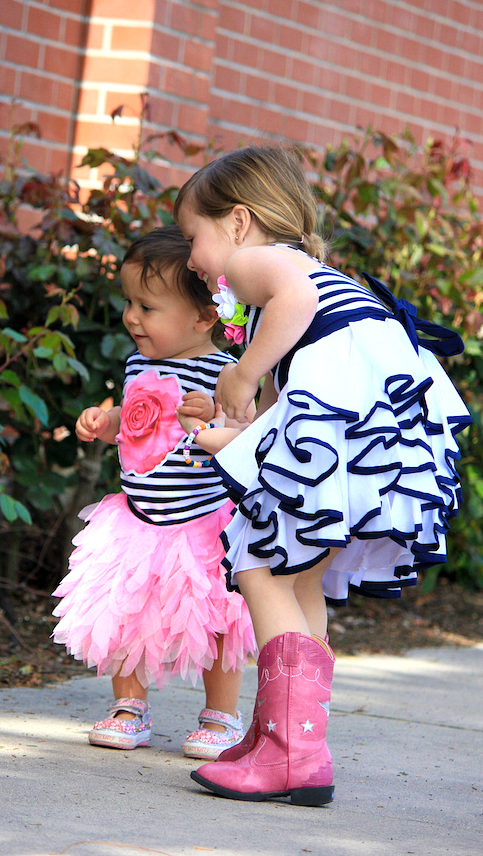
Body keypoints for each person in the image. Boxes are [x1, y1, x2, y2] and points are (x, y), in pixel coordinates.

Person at [173, 144, 471, 805]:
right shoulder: (312, 283)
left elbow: (295, 306)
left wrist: (242, 371)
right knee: (300, 576)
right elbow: (290, 414)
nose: (193, 259)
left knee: (257, 566)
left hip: (350, 436)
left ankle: (289, 752)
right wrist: (228, 432)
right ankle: (288, 737)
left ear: (240, 222)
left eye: (195, 238)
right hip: (374, 441)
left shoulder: (266, 268)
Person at [52, 226, 256, 759]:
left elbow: (245, 425)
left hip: (203, 522)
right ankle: (129, 707)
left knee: (216, 620)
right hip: (139, 520)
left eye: (148, 306)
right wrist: (107, 421)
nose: (132, 317)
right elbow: (137, 422)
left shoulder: (225, 371)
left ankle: (221, 717)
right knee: (128, 612)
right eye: (129, 303)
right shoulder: (138, 363)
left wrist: (214, 413)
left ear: (205, 316)